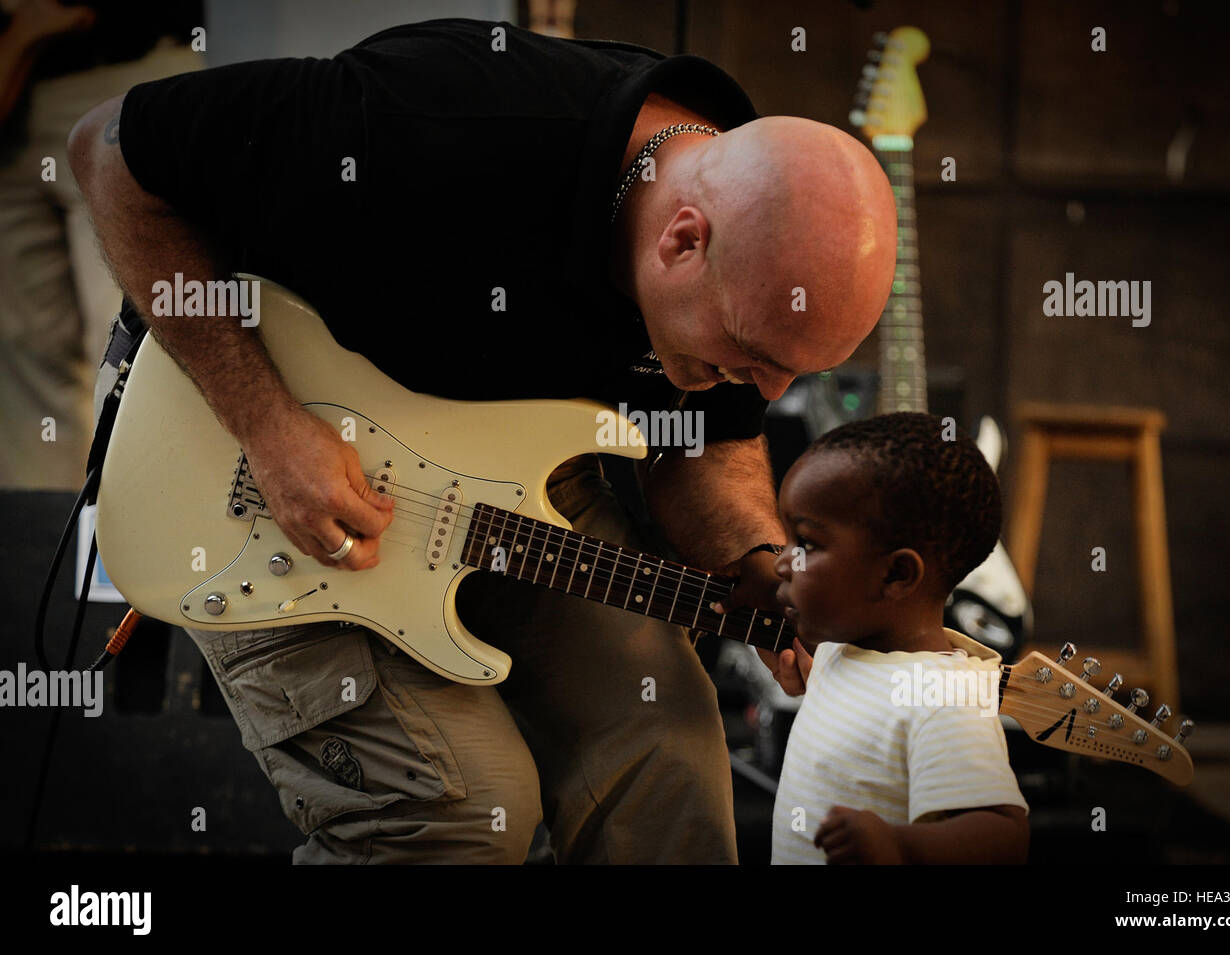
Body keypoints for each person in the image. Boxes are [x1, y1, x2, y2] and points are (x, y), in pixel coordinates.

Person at [67, 18, 897, 864]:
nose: (770, 393)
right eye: (756, 356)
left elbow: (706, 451)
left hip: (506, 477)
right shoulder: (431, 116)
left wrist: (763, 570)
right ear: (682, 240)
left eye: (795, 370)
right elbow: (108, 150)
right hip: (238, 455)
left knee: (670, 749)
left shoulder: (744, 236)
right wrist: (272, 428)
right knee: (456, 805)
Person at [751, 413, 1029, 864]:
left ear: (897, 574)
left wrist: (900, 845)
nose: (783, 563)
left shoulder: (941, 698)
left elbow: (1004, 836)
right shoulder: (840, 648)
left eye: (806, 543)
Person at [0, 0, 201, 489]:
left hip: (129, 72)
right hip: (17, 92)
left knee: (132, 344)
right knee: (24, 348)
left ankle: (149, 537)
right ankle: (51, 547)